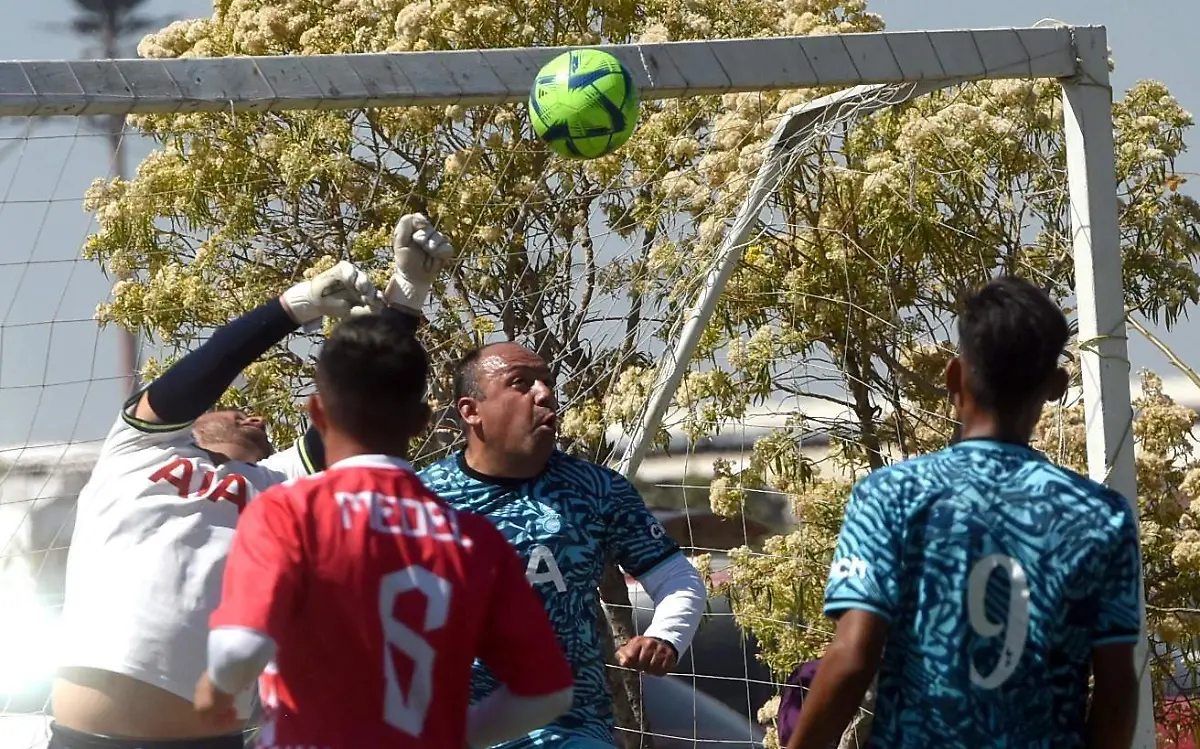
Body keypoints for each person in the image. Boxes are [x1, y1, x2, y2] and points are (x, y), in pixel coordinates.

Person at [50, 214, 455, 749]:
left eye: (261, 417)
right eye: (236, 407)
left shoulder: (283, 484)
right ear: (196, 421)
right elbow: (200, 373)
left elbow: (363, 412)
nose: (253, 416)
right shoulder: (136, 449)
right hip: (91, 737)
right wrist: (293, 307)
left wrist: (405, 300)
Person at [785, 276, 1142, 749]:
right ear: (1057, 387)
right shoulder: (1102, 515)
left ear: (954, 376)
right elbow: (1117, 688)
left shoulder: (891, 495)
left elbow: (852, 657)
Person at [194, 313, 576, 749]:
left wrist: (215, 688)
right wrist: (453, 736)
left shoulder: (288, 511)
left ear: (317, 412)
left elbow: (239, 650)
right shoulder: (472, 536)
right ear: (422, 420)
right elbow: (547, 691)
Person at [419, 341, 709, 749]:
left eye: (547, 383)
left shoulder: (597, 490)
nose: (544, 394)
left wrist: (665, 637)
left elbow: (678, 578)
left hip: (567, 729)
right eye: (520, 383)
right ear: (471, 411)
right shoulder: (418, 500)